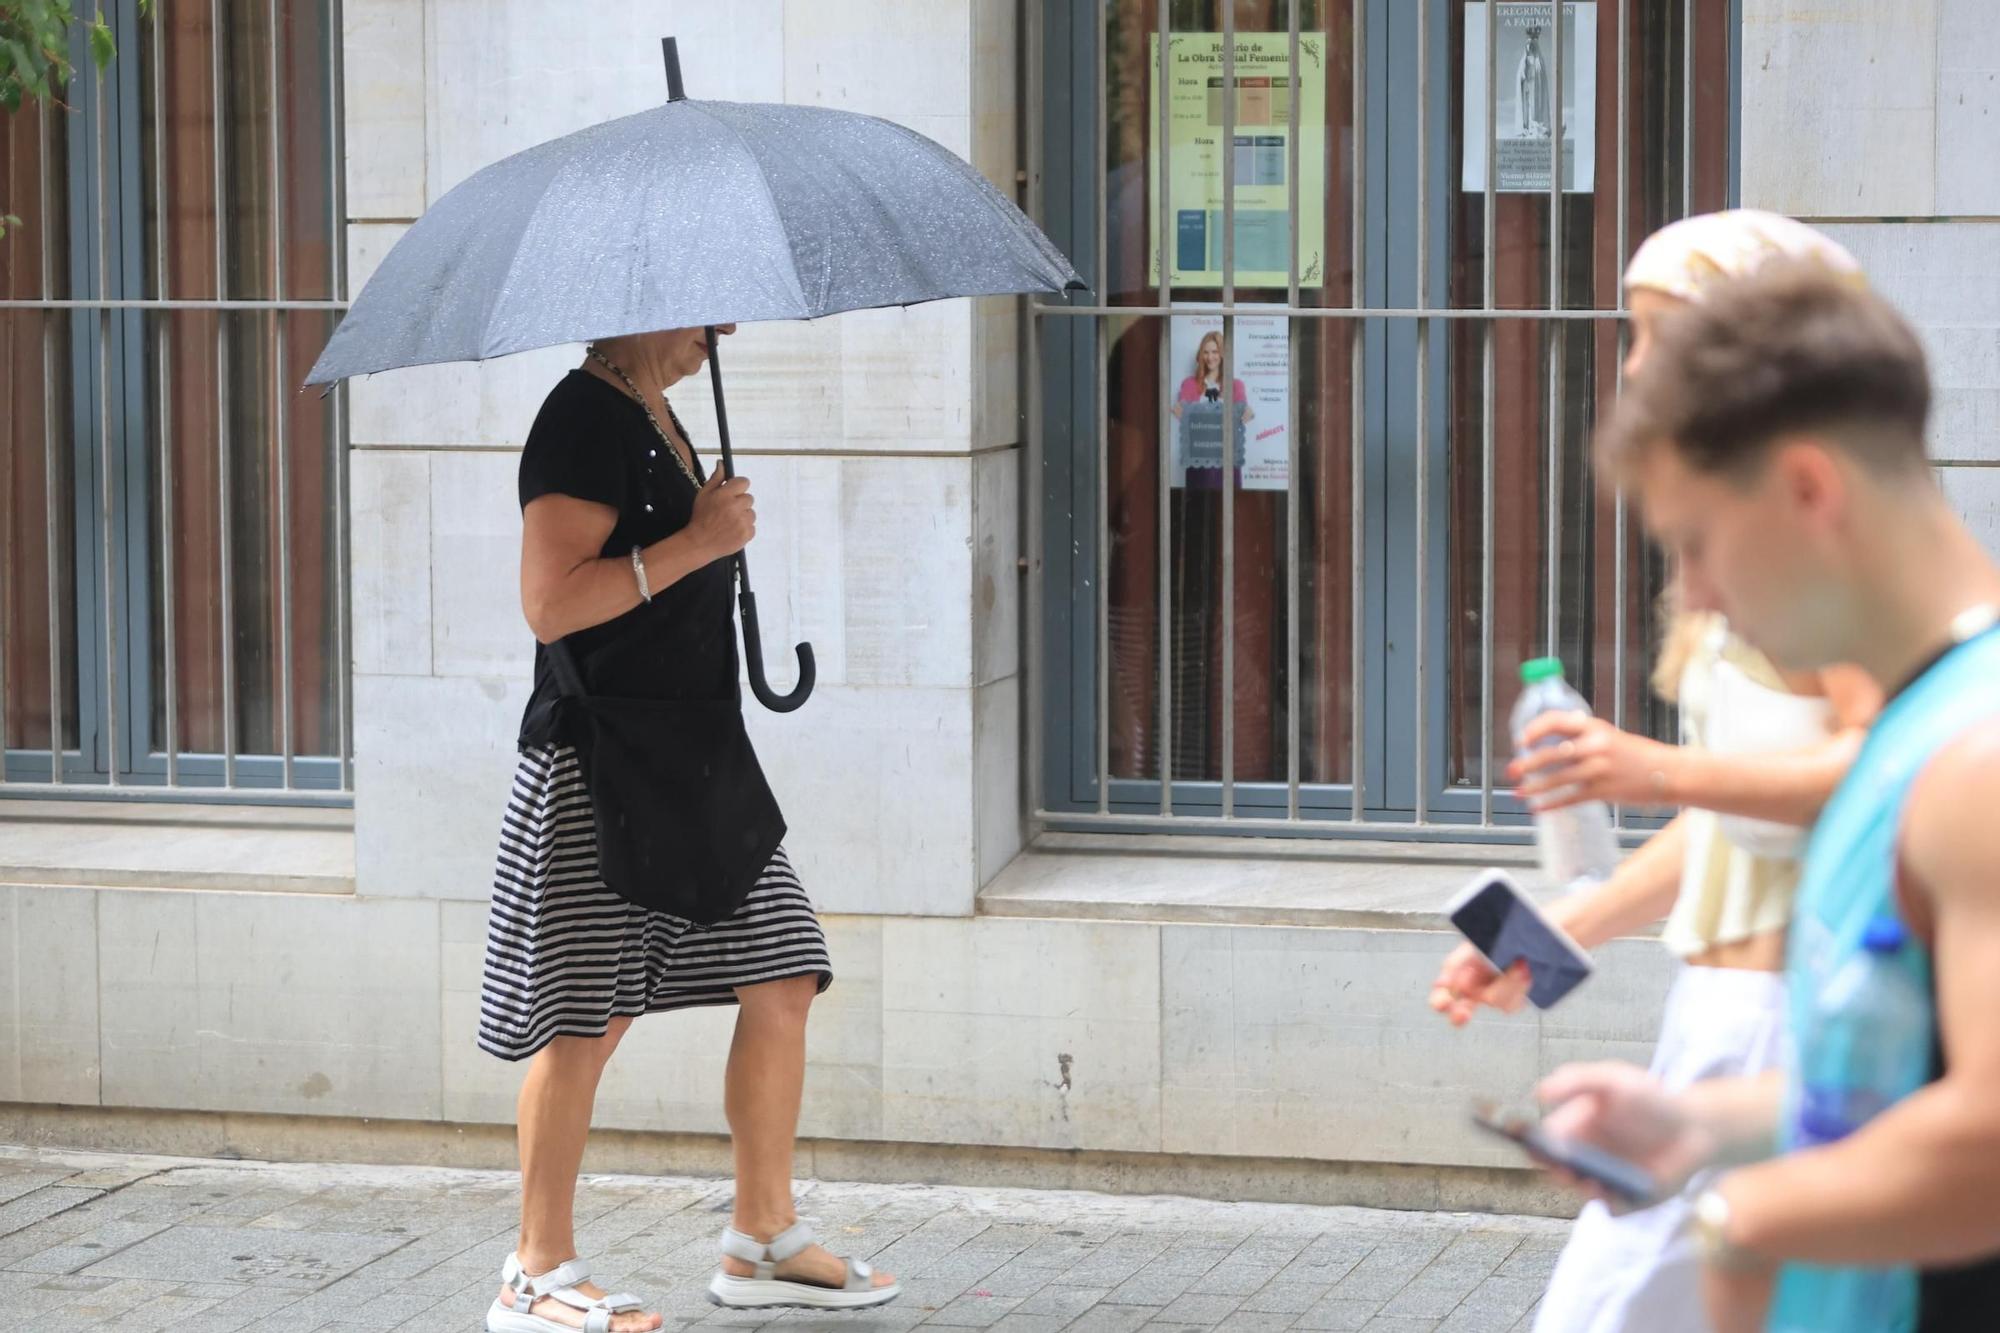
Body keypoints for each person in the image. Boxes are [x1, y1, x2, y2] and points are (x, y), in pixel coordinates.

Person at [1429, 210, 1880, 1333]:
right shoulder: (1745, 544)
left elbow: (1890, 769)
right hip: (1721, 1019)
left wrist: (1655, 770)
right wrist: (1548, 935)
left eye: (1659, 331)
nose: (1632, 365)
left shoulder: (1818, 551)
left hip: (1793, 1024)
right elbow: (1723, 827)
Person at [1540, 263, 2000, 1332]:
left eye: (1694, 541)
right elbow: (1898, 1090)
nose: (1694, 594)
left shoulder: (1974, 760)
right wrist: (1701, 1123)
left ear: (1806, 488)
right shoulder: (1916, 729)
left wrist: (1740, 1219)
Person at [479, 327, 898, 1332]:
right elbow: (549, 605)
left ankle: (760, 1235)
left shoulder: (655, 414)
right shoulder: (580, 421)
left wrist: (704, 533)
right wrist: (697, 542)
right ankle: (533, 1274)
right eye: (706, 308)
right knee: (587, 1017)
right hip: (603, 762)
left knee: (785, 970)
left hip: (695, 762)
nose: (725, 330)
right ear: (645, 303)